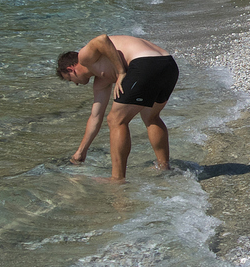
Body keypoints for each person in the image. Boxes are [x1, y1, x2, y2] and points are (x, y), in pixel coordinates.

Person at [55, 33, 178, 181]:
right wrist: (81, 152)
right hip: (168, 65)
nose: (75, 84)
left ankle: (117, 179)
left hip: (145, 63)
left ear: (71, 69)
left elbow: (102, 39)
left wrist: (121, 71)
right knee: (150, 116)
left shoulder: (84, 57)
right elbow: (95, 116)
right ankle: (164, 167)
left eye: (70, 79)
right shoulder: (101, 81)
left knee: (116, 120)